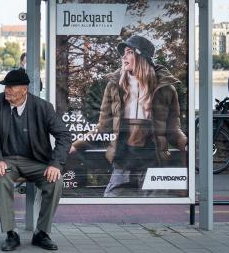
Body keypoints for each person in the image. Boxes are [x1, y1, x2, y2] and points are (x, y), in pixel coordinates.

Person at [71, 35, 188, 197]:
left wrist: (185, 144)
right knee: (110, 205)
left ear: (141, 57)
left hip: (153, 163)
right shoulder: (114, 86)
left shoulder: (166, 89)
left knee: (155, 211)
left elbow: (173, 129)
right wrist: (77, 145)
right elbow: (103, 127)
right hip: (123, 162)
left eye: (129, 52)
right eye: (123, 53)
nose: (123, 57)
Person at [0, 69, 72, 252]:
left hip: (36, 161)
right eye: (5, 87)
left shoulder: (43, 107)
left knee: (55, 181)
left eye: (10, 87)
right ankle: (11, 233)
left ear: (24, 89)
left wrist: (55, 164)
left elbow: (64, 136)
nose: (6, 90)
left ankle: (42, 233)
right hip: (8, 160)